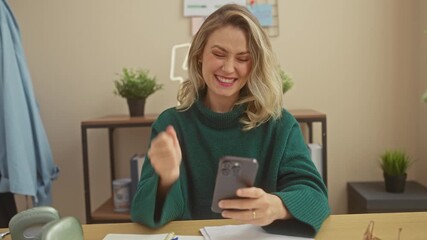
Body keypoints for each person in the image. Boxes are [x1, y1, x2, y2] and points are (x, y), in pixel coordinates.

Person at [131, 4, 330, 236]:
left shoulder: (279, 124)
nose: (228, 68)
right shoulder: (171, 124)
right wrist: (166, 180)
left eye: (243, 58)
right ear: (198, 56)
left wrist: (278, 206)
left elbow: (316, 198)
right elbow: (143, 214)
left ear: (255, 65)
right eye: (218, 54)